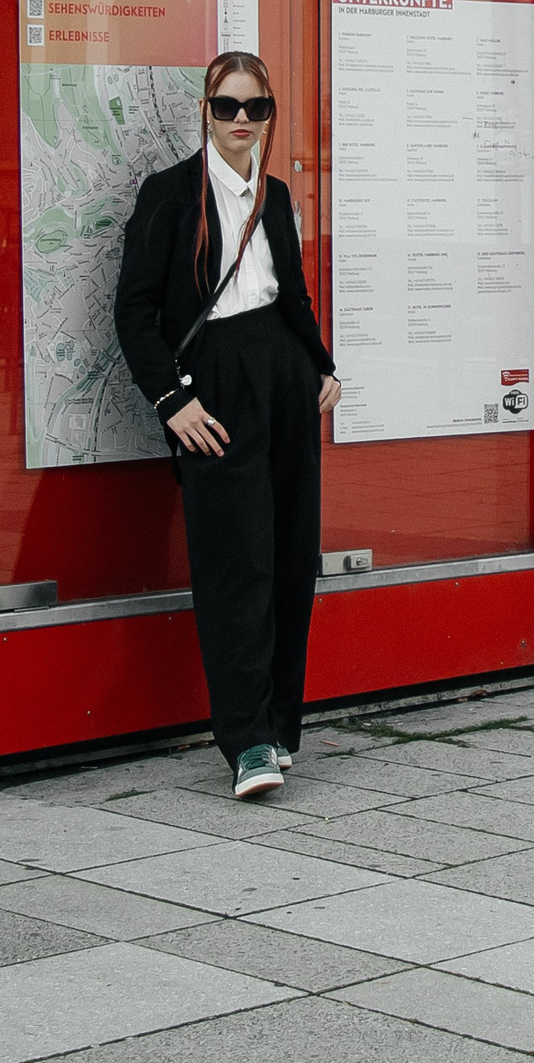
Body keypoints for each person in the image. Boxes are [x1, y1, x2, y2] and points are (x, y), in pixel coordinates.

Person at [115, 52, 339, 800]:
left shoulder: (273, 195)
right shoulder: (171, 195)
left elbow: (293, 294)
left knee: (287, 553)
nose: (241, 119)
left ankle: (277, 722)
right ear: (205, 110)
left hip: (282, 377)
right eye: (227, 106)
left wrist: (322, 365)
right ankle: (243, 741)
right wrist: (170, 401)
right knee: (233, 561)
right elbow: (135, 312)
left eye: (256, 107)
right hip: (213, 384)